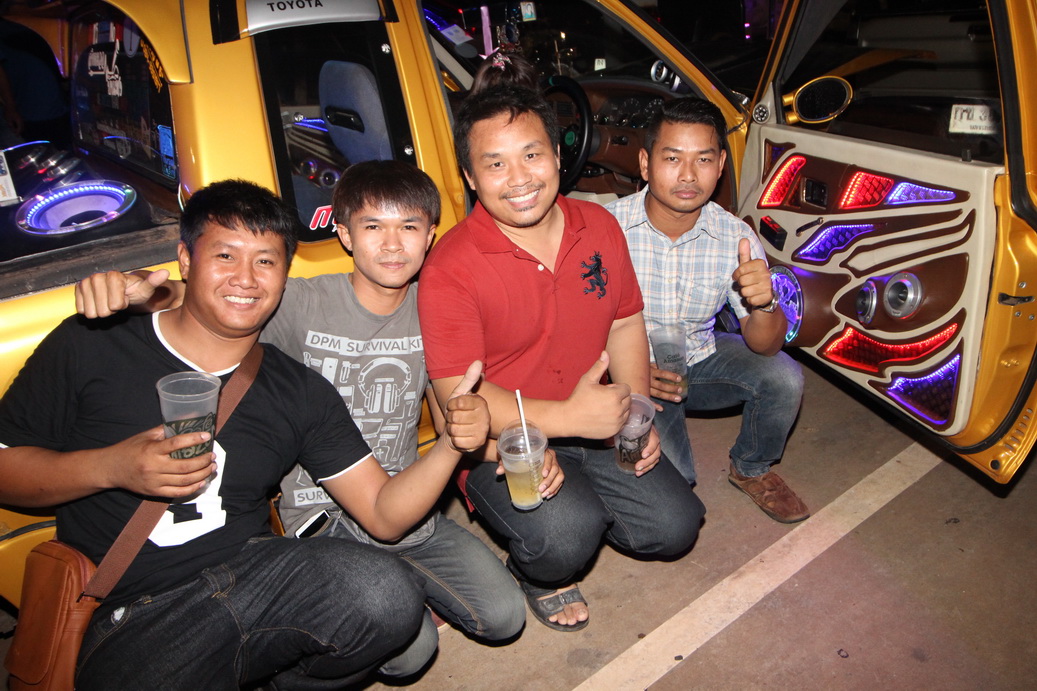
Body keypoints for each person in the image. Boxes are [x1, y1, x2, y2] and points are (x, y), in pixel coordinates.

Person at [0, 178, 490, 689]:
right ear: (185, 259)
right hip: (133, 612)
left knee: (386, 594)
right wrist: (112, 467)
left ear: (283, 275)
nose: (245, 278)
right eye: (225, 255)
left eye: (265, 261)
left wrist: (451, 445)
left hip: (252, 576)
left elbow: (383, 514)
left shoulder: (298, 390)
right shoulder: (94, 343)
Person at [417, 83, 705, 632]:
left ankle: (588, 503)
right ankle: (538, 573)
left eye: (531, 154)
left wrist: (636, 412)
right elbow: (459, 398)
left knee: (675, 526)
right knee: (566, 536)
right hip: (506, 444)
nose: (519, 178)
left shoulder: (599, 226)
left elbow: (624, 321)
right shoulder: (450, 268)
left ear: (556, 153)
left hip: (598, 423)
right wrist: (569, 419)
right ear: (471, 177)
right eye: (495, 163)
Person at [604, 97, 809, 523]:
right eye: (672, 158)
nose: (688, 175)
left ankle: (751, 467)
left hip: (697, 362)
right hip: (628, 375)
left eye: (703, 159)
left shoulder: (734, 237)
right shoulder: (606, 229)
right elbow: (569, 327)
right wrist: (628, 375)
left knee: (784, 377)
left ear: (719, 167)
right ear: (645, 164)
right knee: (675, 493)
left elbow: (766, 345)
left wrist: (766, 302)